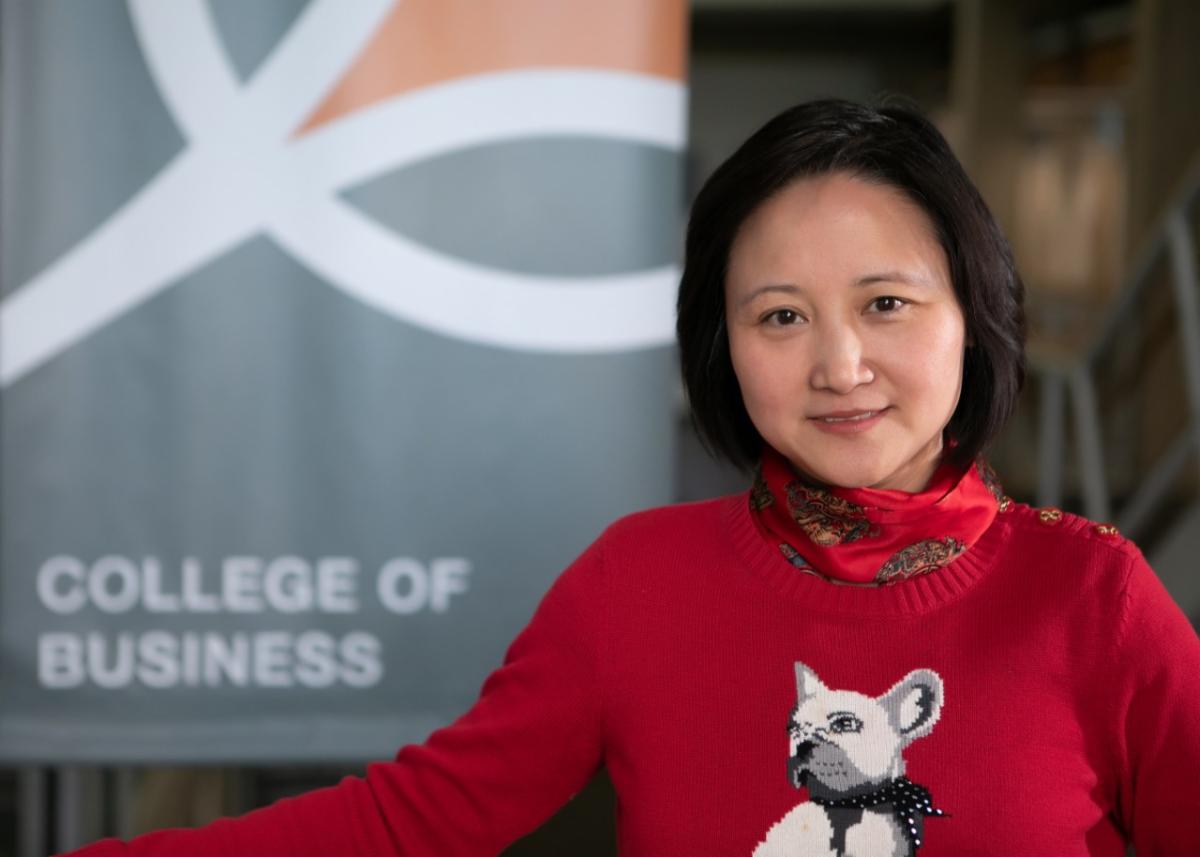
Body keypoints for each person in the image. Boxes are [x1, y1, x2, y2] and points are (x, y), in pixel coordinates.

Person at [64, 99, 1200, 856]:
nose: (839, 363)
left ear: (976, 313)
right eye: (780, 315)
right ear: (723, 342)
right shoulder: (637, 583)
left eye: (886, 302)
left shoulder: (1091, 596)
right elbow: (411, 822)